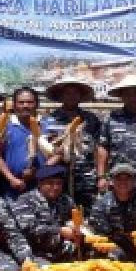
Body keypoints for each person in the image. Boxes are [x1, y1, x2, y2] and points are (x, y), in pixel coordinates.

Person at [88, 163, 136, 263]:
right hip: (117, 245)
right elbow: (97, 228)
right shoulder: (103, 202)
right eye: (118, 178)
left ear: (134, 181)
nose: (123, 182)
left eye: (127, 178)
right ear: (111, 182)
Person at [97, 75, 136, 196]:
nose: (132, 97)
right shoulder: (111, 118)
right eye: (127, 94)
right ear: (121, 97)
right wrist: (101, 176)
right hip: (118, 179)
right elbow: (103, 147)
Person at [45, 77, 102, 209]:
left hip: (86, 178)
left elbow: (99, 148)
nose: (71, 96)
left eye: (75, 93)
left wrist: (100, 176)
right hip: (60, 179)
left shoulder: (91, 119)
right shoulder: (49, 120)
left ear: (80, 96)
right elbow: (45, 147)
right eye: (67, 93)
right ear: (61, 96)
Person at [12, 163, 82, 264]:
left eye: (59, 183)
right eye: (50, 183)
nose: (56, 187)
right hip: (36, 251)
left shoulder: (66, 200)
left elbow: (76, 221)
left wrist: (76, 228)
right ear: (40, 184)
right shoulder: (26, 200)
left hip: (62, 248)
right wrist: (60, 230)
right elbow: (29, 229)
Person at [0, 86, 51, 198]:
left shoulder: (48, 126)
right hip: (13, 188)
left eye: (30, 102)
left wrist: (40, 171)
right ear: (14, 105)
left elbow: (57, 154)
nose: (25, 106)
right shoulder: (4, 127)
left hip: (42, 187)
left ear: (37, 104)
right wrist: (11, 178)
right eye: (21, 102)